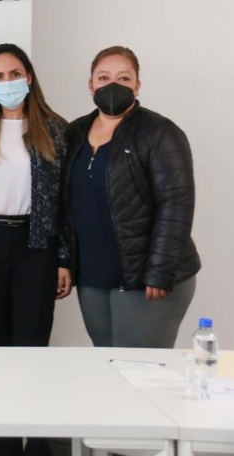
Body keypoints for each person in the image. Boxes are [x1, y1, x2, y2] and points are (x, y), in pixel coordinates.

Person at [0, 44, 71, 456]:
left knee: (33, 351)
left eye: (14, 74)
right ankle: (5, 445)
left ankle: (37, 443)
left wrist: (64, 260)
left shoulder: (56, 130)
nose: (7, 82)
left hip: (37, 247)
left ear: (29, 77)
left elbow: (67, 203)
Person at [64, 46, 200, 348]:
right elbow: (64, 204)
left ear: (137, 85)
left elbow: (176, 206)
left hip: (145, 278)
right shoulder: (73, 133)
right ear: (91, 85)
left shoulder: (160, 132)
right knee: (107, 365)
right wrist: (65, 262)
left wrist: (160, 271)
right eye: (103, 77)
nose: (113, 85)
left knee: (139, 368)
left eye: (124, 78)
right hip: (93, 276)